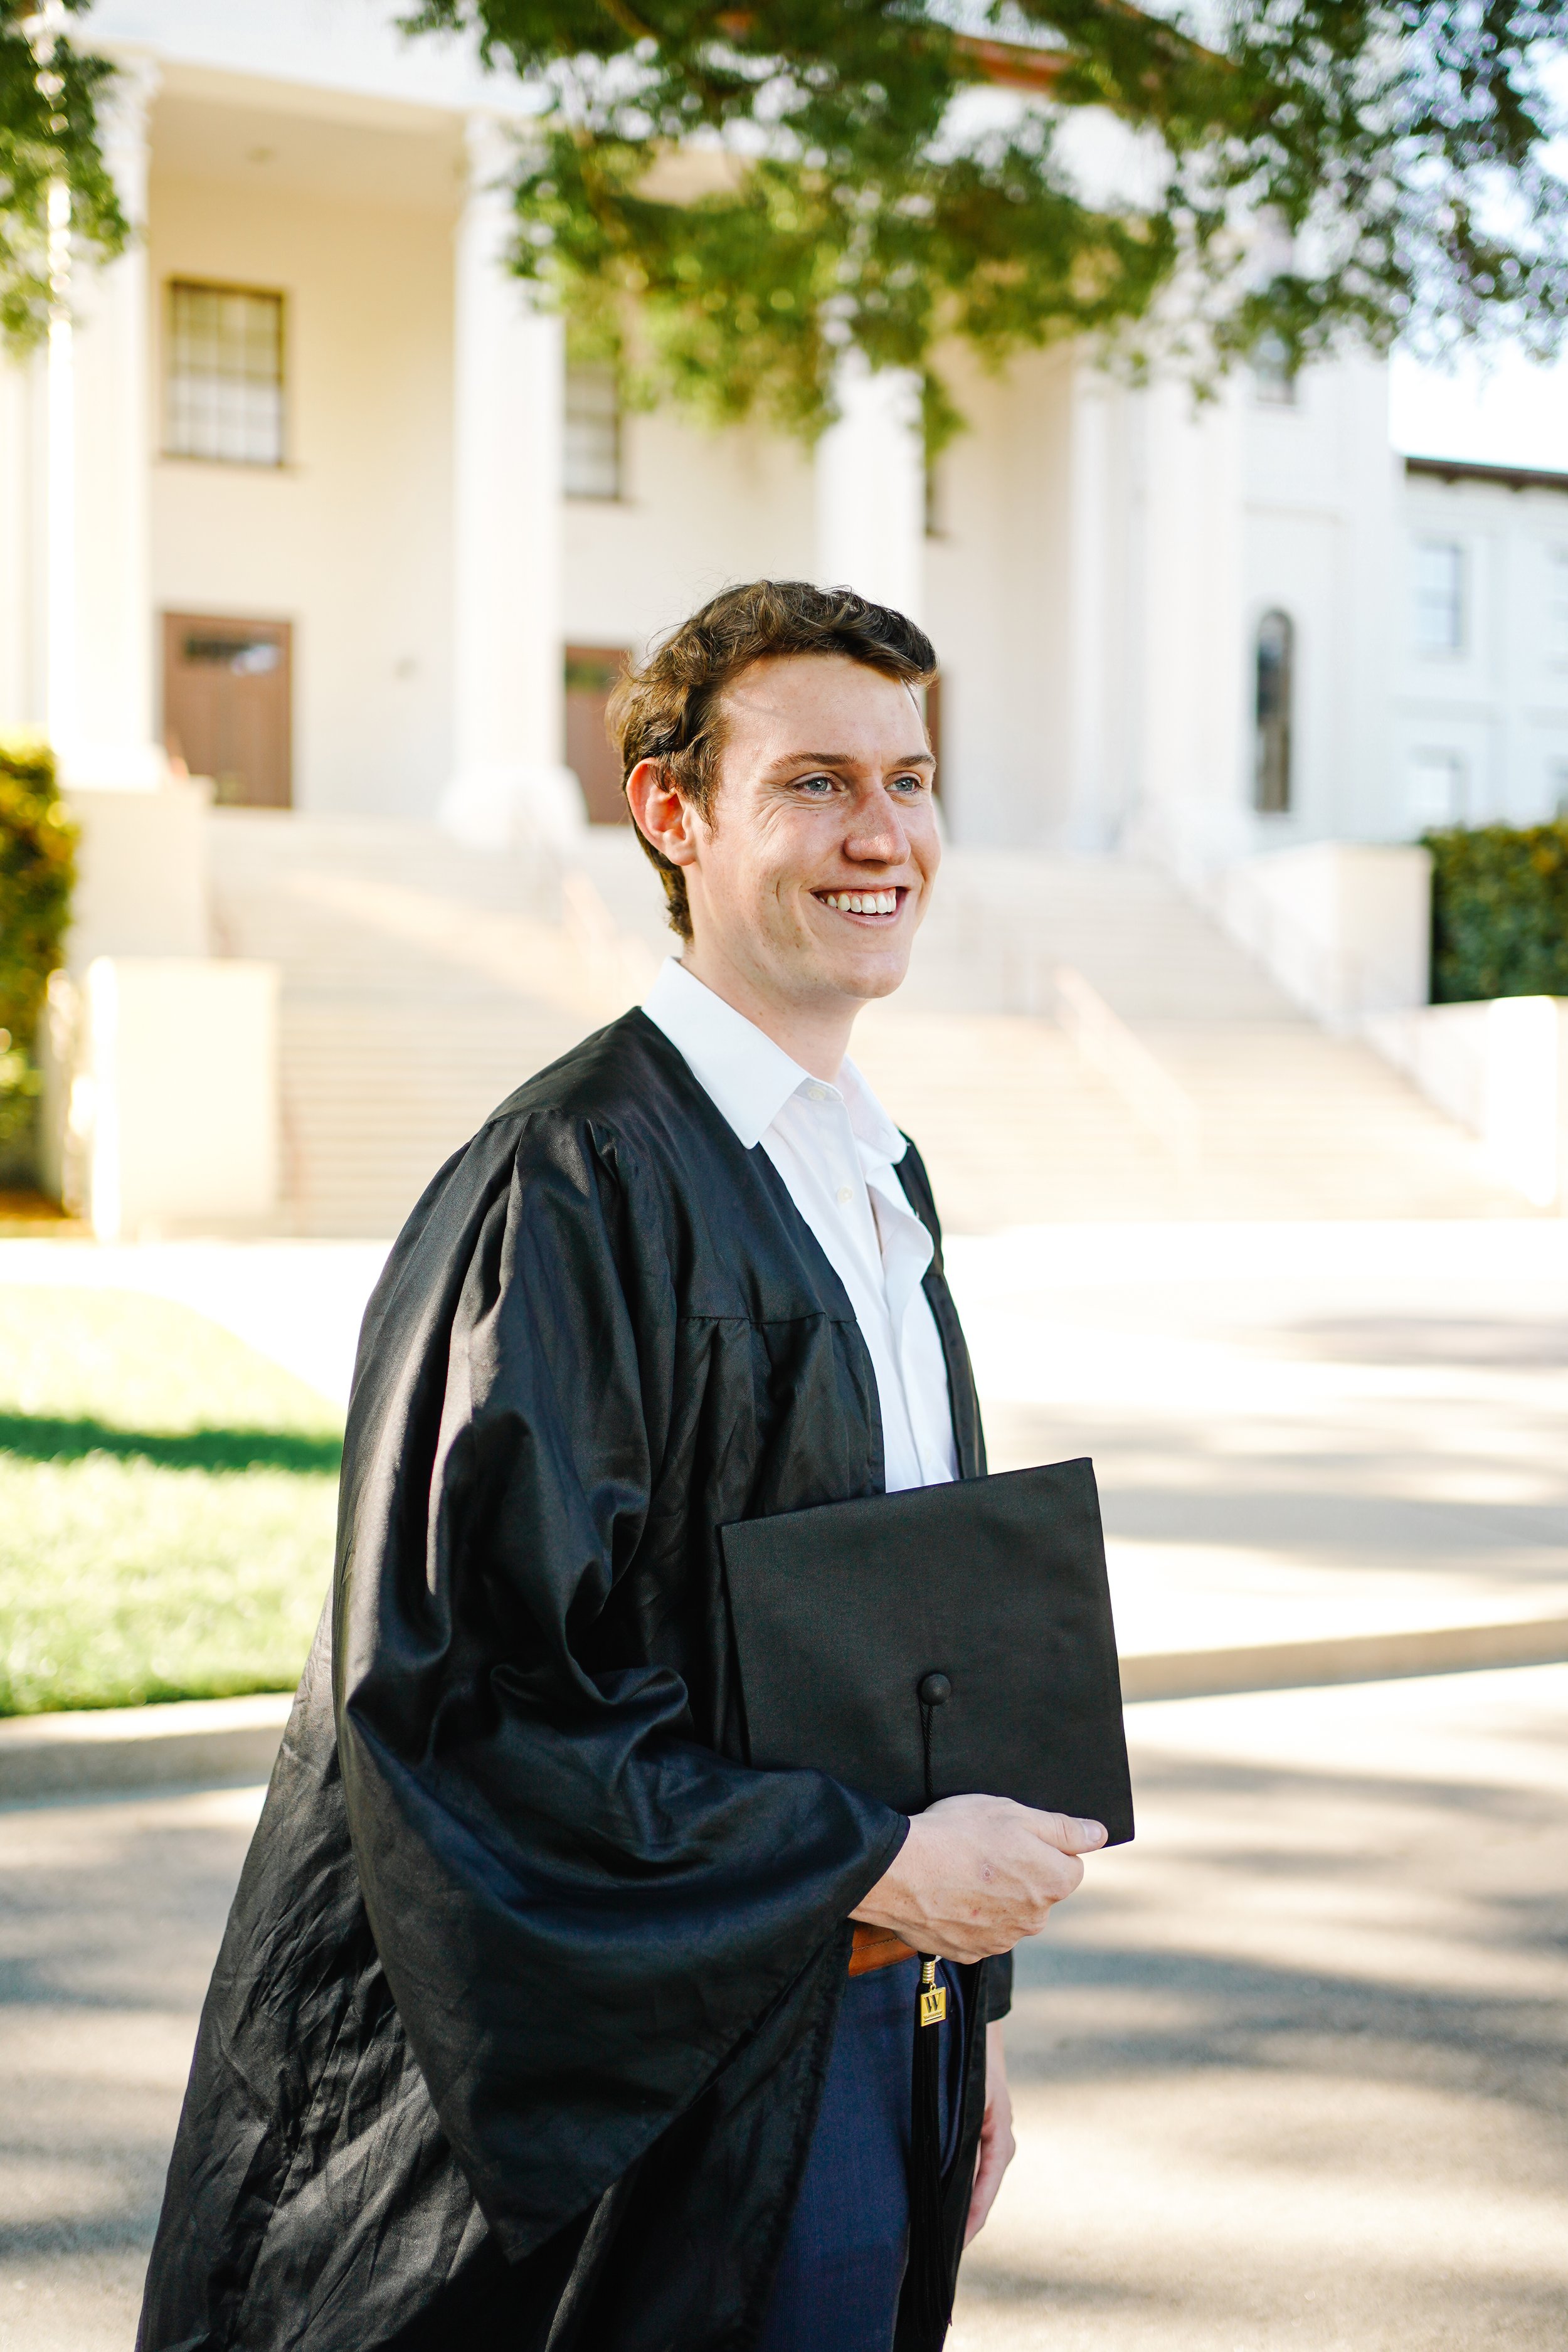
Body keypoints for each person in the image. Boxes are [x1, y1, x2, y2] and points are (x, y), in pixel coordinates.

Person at [137, 580, 1105, 2352]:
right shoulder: (569, 1190)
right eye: (812, 782)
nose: (878, 834)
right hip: (653, 2100)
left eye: (909, 777)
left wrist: (949, 2013)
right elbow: (467, 1706)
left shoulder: (870, 1181)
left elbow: (887, 1655)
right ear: (673, 812)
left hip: (864, 2039)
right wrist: (875, 1873)